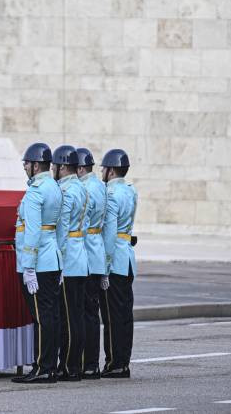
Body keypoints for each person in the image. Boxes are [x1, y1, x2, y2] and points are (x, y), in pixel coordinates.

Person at [12, 142, 63, 384]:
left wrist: (28, 266)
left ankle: (42, 367)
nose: (24, 166)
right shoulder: (54, 187)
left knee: (41, 318)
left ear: (35, 165)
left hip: (38, 263)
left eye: (26, 163)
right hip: (52, 259)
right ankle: (49, 366)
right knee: (51, 316)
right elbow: (60, 228)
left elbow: (32, 231)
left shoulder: (35, 192)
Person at [54, 147, 91, 381]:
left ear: (62, 166)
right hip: (81, 256)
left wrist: (58, 260)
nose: (53, 170)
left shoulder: (66, 191)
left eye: (55, 166)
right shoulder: (82, 188)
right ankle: (75, 364)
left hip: (68, 259)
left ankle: (68, 366)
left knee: (67, 318)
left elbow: (62, 230)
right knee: (77, 316)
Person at [101, 148, 137, 379]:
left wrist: (104, 267)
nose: (102, 173)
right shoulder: (131, 191)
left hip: (115, 261)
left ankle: (114, 362)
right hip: (128, 258)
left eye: (103, 169)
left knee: (112, 316)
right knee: (124, 315)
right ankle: (123, 362)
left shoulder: (111, 194)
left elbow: (110, 234)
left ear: (112, 171)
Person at [78, 146, 108, 378]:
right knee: (92, 312)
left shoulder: (84, 188)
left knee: (83, 313)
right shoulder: (100, 186)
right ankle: (92, 363)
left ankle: (86, 363)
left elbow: (82, 225)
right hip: (98, 252)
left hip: (85, 254)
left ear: (80, 169)